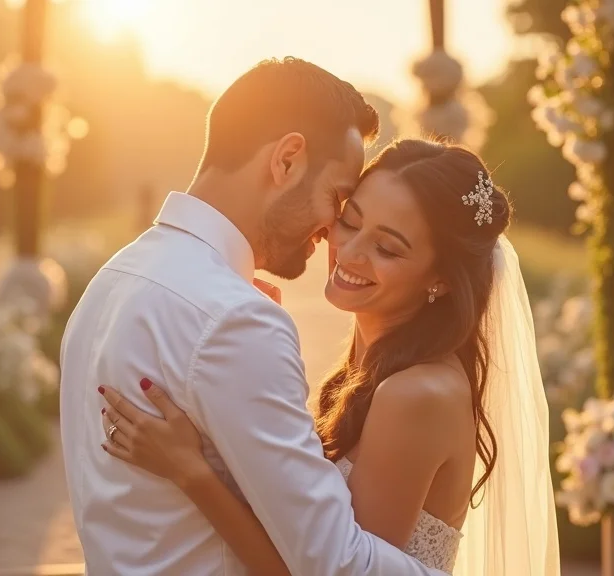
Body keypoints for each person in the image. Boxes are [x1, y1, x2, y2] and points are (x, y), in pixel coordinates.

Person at [60, 57, 450, 575]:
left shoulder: (115, 276)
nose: (333, 228)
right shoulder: (234, 320)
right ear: (287, 160)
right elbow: (336, 562)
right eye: (337, 198)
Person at [98, 139, 561, 575]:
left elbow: (324, 568)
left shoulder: (417, 394)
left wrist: (191, 472)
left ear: (438, 279)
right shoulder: (371, 371)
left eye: (386, 247)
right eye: (351, 221)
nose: (350, 252)